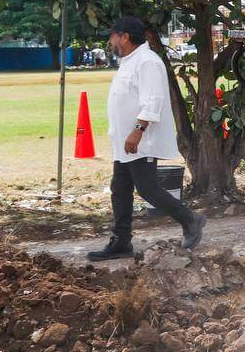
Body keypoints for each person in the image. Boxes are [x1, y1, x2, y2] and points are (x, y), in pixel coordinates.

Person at [87, 16, 206, 261]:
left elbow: (153, 100)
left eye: (112, 36)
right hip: (126, 143)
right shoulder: (130, 61)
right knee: (119, 189)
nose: (110, 42)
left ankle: (190, 219)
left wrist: (137, 130)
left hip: (141, 140)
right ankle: (121, 242)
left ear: (125, 37)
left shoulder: (147, 62)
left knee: (147, 188)